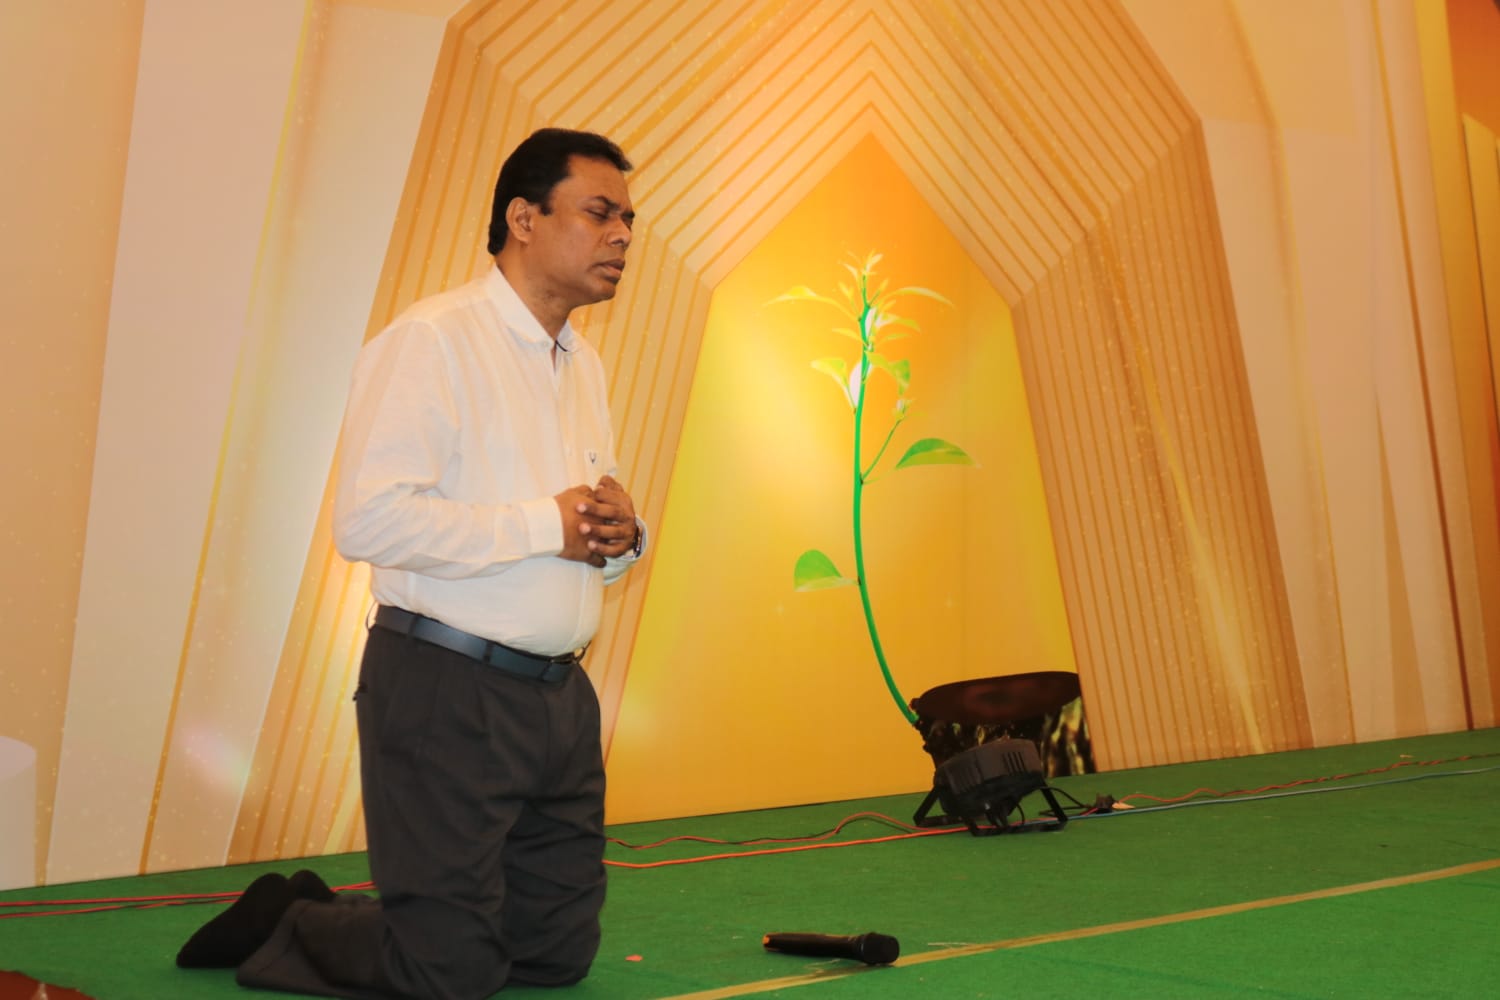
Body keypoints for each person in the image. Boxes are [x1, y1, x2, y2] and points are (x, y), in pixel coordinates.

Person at [176, 128, 646, 998]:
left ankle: (396, 919)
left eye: (628, 218)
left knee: (552, 958)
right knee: (450, 974)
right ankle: (290, 920)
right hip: (445, 686)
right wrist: (545, 523)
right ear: (523, 218)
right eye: (600, 212)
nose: (622, 234)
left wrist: (618, 541)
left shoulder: (588, 365)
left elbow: (574, 537)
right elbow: (370, 519)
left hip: (558, 702)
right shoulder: (433, 340)